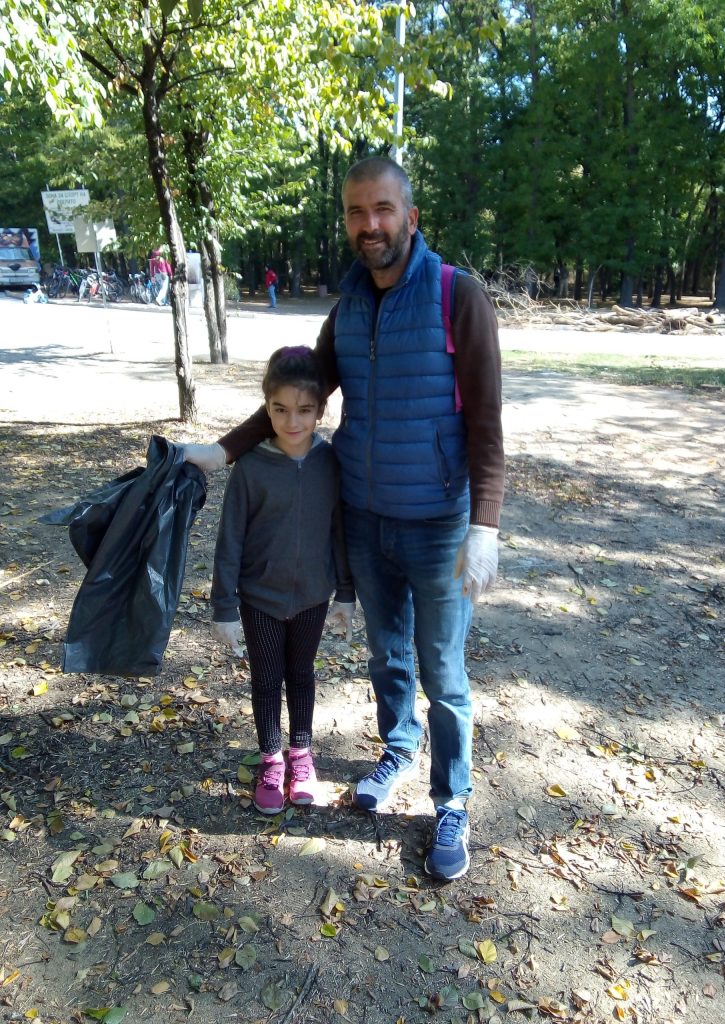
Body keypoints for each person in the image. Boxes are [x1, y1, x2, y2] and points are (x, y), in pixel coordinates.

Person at [185, 156, 504, 880]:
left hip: (438, 526)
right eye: (357, 212)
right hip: (364, 519)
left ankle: (451, 800)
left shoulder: (458, 297)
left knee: (442, 669)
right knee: (386, 656)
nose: (370, 224)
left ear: (410, 217)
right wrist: (225, 450)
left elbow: (487, 423)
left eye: (383, 209)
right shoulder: (350, 307)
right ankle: (398, 748)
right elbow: (303, 392)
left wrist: (483, 523)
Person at [210, 345, 355, 815]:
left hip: (313, 597)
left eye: (304, 410)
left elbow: (340, 530)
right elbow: (230, 539)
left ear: (320, 409)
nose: (293, 421)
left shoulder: (330, 463)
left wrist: (345, 593)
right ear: (266, 407)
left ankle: (301, 755)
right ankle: (272, 760)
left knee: (302, 675)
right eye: (280, 409)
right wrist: (224, 606)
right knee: (267, 679)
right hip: (260, 600)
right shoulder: (251, 467)